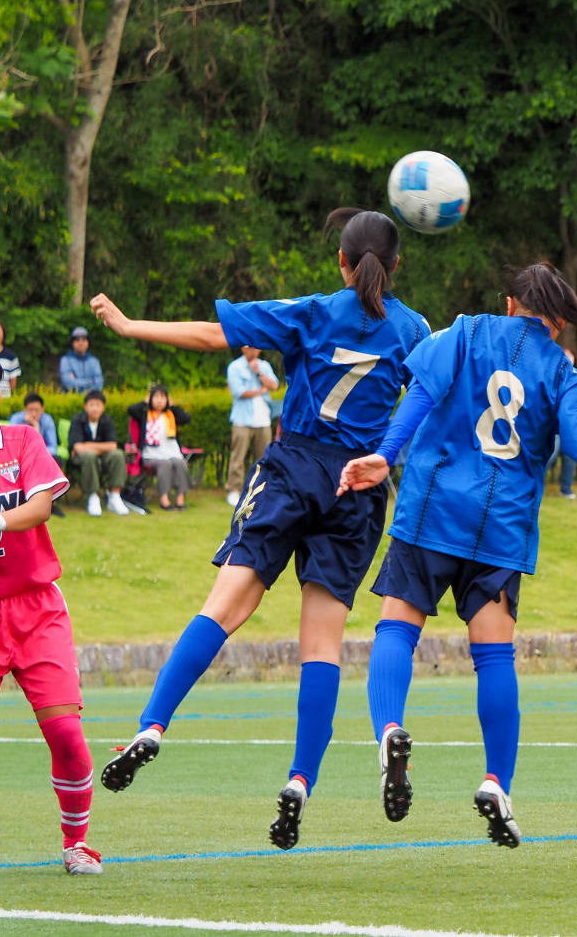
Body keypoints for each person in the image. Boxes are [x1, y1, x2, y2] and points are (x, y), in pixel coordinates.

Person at [90, 206, 431, 851]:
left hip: (294, 467)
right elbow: (437, 397)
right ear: (395, 266)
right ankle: (301, 778)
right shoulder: (414, 329)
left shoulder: (313, 311)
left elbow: (210, 336)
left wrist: (132, 325)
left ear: (341, 261)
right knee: (322, 643)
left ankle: (153, 725)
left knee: (224, 605)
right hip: (357, 486)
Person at [337, 262, 577, 847]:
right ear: (557, 322)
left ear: (511, 303)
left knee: (397, 627)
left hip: (430, 511)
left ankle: (388, 729)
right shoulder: (560, 368)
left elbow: (423, 392)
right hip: (499, 530)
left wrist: (386, 454)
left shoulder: (463, 330)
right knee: (493, 657)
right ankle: (495, 782)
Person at [0, 345, 100, 881]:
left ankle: (77, 844)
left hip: (37, 610)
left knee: (66, 735)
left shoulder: (21, 438)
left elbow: (41, 505)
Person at [226, 345, 278, 507]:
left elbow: (274, 385)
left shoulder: (264, 366)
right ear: (242, 349)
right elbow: (239, 391)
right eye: (250, 347)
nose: (254, 350)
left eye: (256, 347)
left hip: (263, 419)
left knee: (263, 458)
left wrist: (259, 373)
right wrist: (261, 391)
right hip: (242, 419)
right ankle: (234, 490)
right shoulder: (235, 367)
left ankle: (260, 490)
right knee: (238, 457)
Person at [127, 386, 193, 511]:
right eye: (155, 397)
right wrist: (144, 402)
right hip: (151, 455)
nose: (159, 400)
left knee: (180, 463)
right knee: (165, 464)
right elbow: (131, 410)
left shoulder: (171, 415)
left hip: (172, 453)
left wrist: (172, 406)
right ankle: (164, 499)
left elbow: (186, 418)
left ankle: (180, 500)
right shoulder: (144, 415)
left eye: (162, 397)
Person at [67, 390, 129, 517]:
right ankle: (93, 496)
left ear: (103, 407)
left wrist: (89, 445)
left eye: (98, 405)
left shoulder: (107, 421)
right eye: (91, 404)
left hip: (102, 456)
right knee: (90, 456)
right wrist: (97, 448)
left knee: (117, 454)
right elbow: (77, 447)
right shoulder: (78, 420)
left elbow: (112, 445)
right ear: (85, 406)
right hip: (81, 458)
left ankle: (115, 496)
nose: (94, 408)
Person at [10, 392, 65, 518]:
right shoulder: (16, 419)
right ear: (24, 409)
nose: (33, 414)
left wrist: (36, 429)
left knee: (55, 460)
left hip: (42, 455)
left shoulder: (47, 420)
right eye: (30, 410)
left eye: (37, 410)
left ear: (42, 410)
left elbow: (53, 447)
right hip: (20, 456)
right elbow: (11, 446)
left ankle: (51, 503)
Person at [545, 347, 577, 499]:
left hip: (568, 427)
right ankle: (533, 484)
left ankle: (566, 488)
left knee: (570, 456)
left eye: (570, 354)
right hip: (552, 426)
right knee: (550, 455)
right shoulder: (548, 375)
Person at [58, 327, 104, 394]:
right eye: (77, 339)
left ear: (88, 342)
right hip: (71, 400)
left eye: (84, 339)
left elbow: (99, 384)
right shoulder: (65, 360)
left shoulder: (94, 361)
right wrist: (90, 382)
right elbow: (67, 383)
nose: (80, 342)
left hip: (90, 400)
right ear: (72, 342)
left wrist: (75, 381)